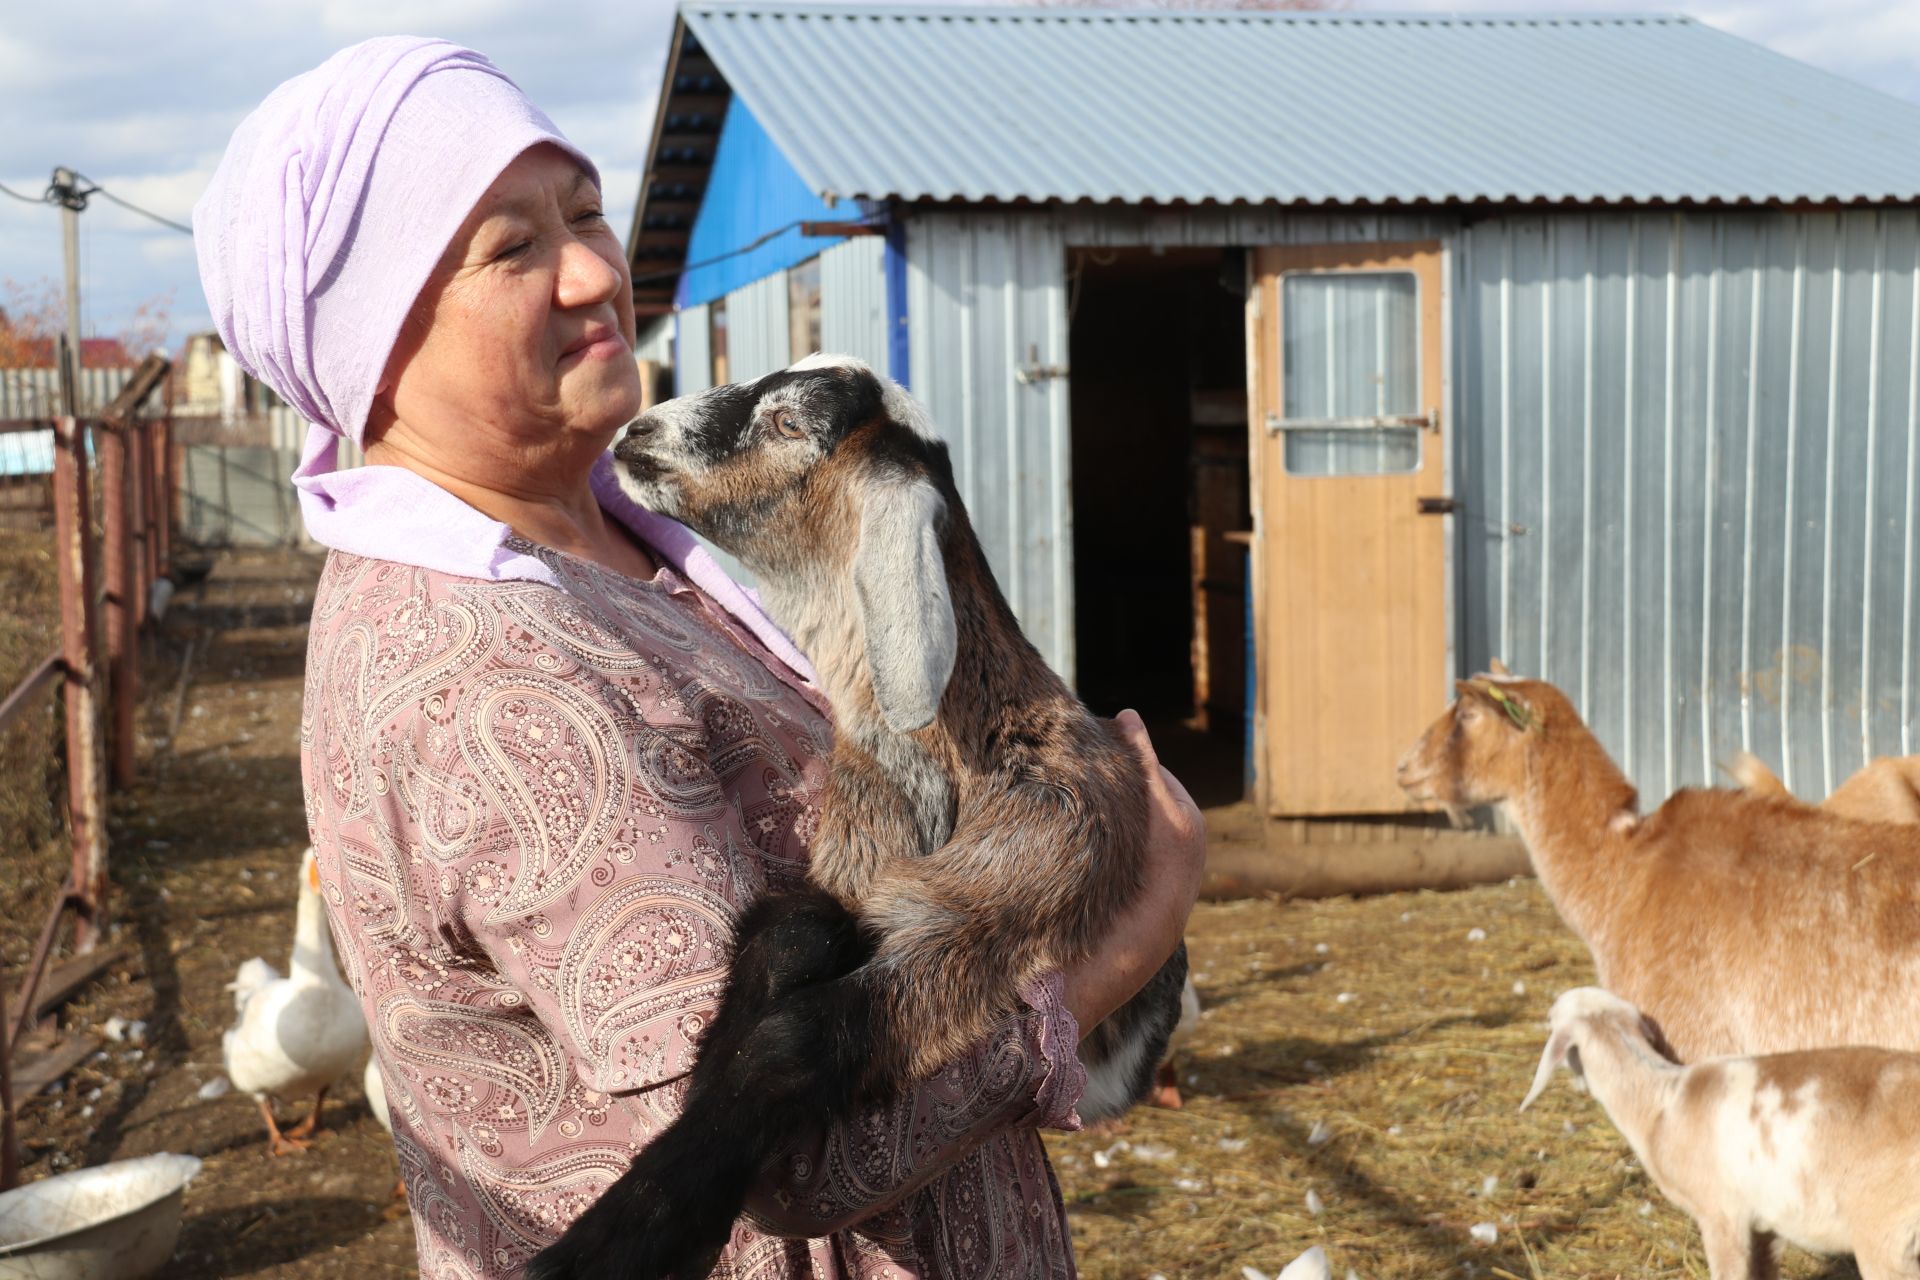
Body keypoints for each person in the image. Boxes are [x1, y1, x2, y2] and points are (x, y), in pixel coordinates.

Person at [195, 36, 1206, 1280]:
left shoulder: (622, 540)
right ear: (369, 339)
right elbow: (782, 1161)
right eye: (511, 248)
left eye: (586, 213)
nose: (589, 273)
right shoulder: (488, 679)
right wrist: (1115, 956)